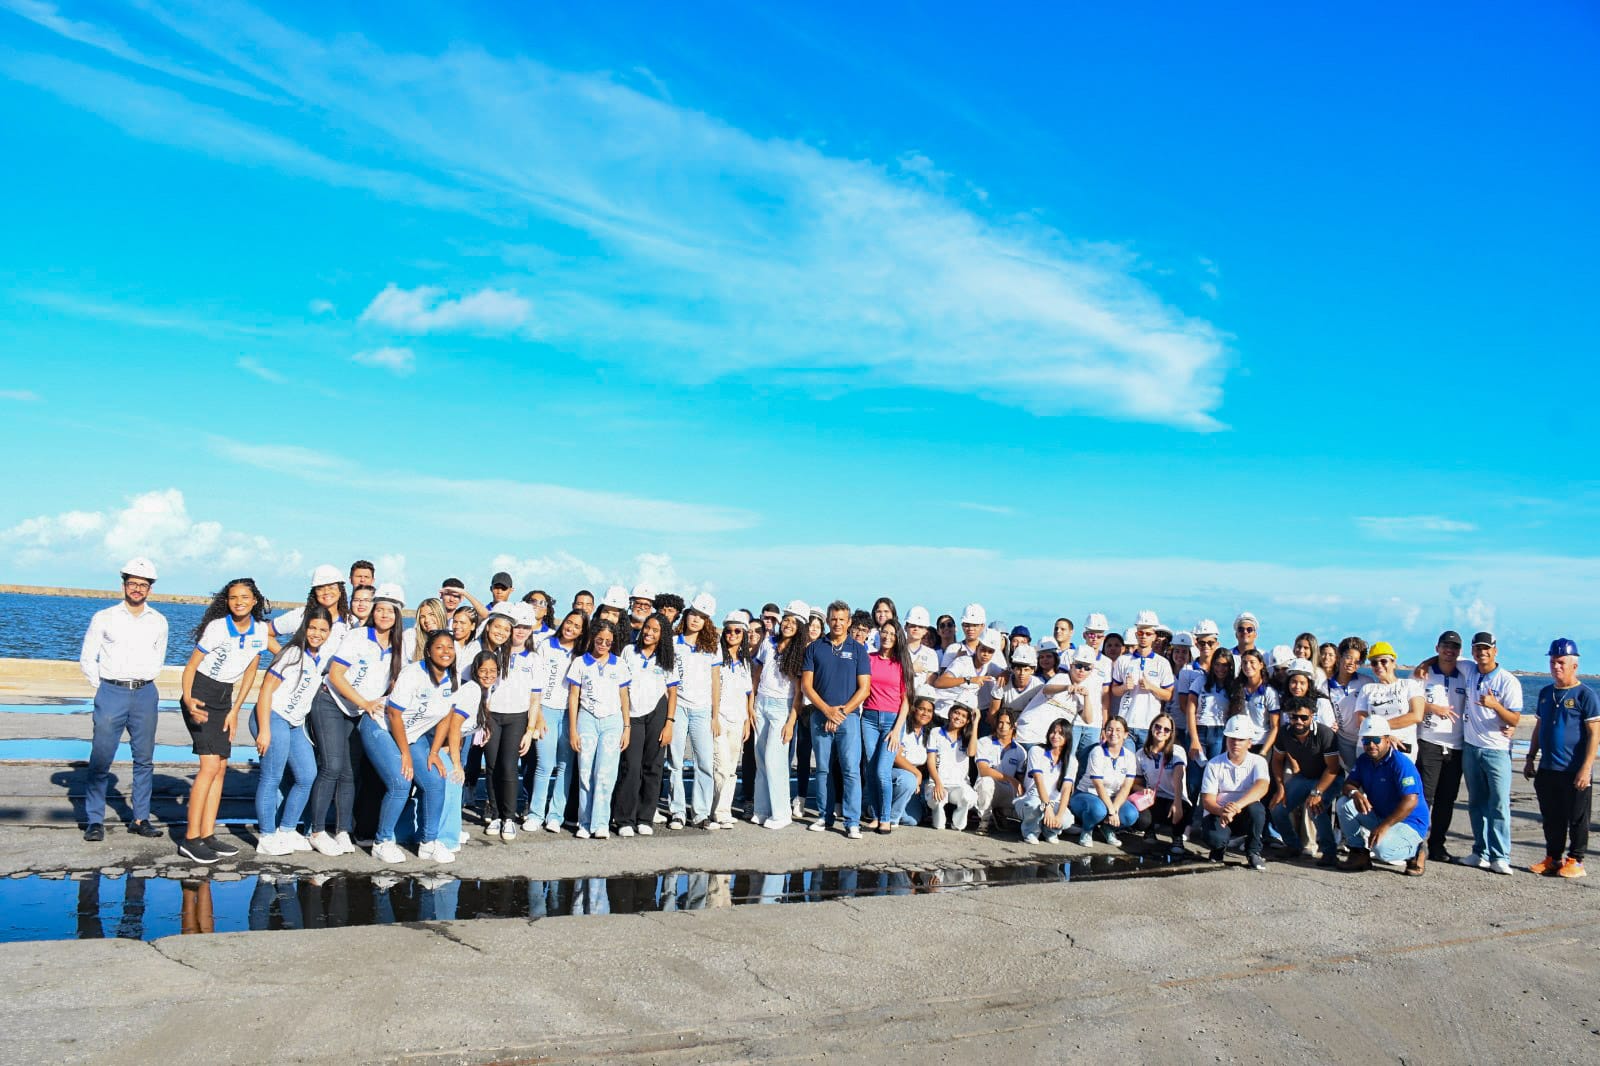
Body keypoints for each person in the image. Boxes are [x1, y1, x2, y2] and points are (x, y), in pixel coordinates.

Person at [308, 582, 407, 856]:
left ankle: (342, 831)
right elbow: (335, 675)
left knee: (350, 772)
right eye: (381, 609)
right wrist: (364, 702)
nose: (385, 615)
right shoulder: (358, 637)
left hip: (356, 713)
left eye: (391, 611)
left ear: (399, 615)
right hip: (331, 702)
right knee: (332, 766)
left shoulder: (399, 646)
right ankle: (316, 830)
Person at [177, 577, 270, 864]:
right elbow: (191, 666)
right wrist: (188, 699)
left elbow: (251, 672)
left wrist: (235, 710)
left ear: (255, 600)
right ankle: (190, 839)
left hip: (224, 699)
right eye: (233, 597)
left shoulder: (260, 632)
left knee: (220, 768)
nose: (239, 602)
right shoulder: (217, 628)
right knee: (207, 767)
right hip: (201, 694)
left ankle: (207, 834)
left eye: (244, 597)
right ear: (226, 601)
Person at [78, 557, 168, 842]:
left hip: (145, 693)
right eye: (133, 583)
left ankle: (140, 818)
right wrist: (103, 686)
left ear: (149, 589)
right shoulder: (104, 617)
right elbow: (87, 657)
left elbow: (159, 655)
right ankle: (94, 820)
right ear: (124, 585)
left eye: (143, 585)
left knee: (144, 759)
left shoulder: (159, 621)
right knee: (101, 758)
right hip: (111, 692)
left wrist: (145, 679)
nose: (137, 589)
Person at [363, 628, 461, 864]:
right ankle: (382, 842)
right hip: (382, 728)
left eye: (450, 647)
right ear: (428, 651)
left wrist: (435, 751)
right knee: (401, 781)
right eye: (439, 647)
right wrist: (405, 754)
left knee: (436, 779)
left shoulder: (452, 679)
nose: (445, 652)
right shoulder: (414, 673)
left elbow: (447, 716)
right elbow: (395, 714)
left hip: (412, 736)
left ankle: (428, 842)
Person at [252, 605, 334, 855]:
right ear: (304, 628)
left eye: (323, 629)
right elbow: (265, 690)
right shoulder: (291, 653)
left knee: (307, 776)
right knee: (271, 777)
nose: (316, 633)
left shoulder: (320, 657)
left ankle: (286, 831)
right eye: (312, 628)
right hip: (272, 717)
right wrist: (264, 730)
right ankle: (266, 837)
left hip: (294, 723)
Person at [1524, 638, 1597, 879]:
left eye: (1561, 662)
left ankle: (1576, 860)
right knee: (1551, 817)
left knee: (1577, 818)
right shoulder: (1546, 693)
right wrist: (1531, 757)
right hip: (1548, 768)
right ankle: (1553, 858)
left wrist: (1586, 768)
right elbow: (1539, 727)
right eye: (1553, 661)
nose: (1556, 666)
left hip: (1574, 769)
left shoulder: (1585, 695)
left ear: (1574, 665)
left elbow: (1595, 733)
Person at [803, 600, 873, 837]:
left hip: (849, 718)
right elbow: (806, 686)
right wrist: (827, 710)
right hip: (820, 716)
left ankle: (851, 821)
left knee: (850, 770)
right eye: (833, 618)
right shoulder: (815, 648)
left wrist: (840, 713)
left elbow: (864, 689)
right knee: (823, 769)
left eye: (842, 619)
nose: (837, 623)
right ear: (828, 620)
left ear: (849, 622)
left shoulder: (858, 650)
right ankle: (824, 816)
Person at [456, 650, 539, 843]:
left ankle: (508, 818)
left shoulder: (525, 660)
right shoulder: (476, 686)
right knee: (492, 766)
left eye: (493, 670)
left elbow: (535, 697)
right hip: (492, 717)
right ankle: (495, 815)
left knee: (509, 767)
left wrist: (530, 729)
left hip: (516, 716)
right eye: (483, 670)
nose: (488, 674)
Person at [1458, 631, 1523, 875]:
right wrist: (1424, 665)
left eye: (1486, 649)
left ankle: (1500, 856)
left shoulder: (1508, 681)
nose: (1481, 653)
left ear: (1495, 650)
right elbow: (1446, 656)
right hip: (1471, 748)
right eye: (1477, 649)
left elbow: (1515, 718)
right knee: (1476, 803)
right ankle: (1480, 852)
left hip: (1496, 750)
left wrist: (1495, 705)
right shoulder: (1469, 669)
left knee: (1498, 805)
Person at [1336, 717, 1429, 875]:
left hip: (1409, 822)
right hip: (1382, 815)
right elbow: (1348, 784)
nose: (1371, 745)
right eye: (1366, 740)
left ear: (1387, 740)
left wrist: (1384, 826)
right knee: (1344, 804)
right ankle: (1359, 854)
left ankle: (1417, 850)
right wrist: (1355, 793)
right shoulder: (1364, 760)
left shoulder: (1401, 763)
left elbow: (1410, 801)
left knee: (1382, 851)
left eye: (1376, 740)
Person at [613, 611, 677, 837]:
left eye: (655, 630)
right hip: (631, 714)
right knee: (630, 765)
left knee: (653, 766)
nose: (649, 633)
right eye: (647, 628)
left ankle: (645, 817)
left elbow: (672, 691)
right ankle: (624, 819)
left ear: (663, 635)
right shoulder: (629, 651)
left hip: (657, 712)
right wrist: (624, 720)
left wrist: (669, 723)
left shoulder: (668, 657)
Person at [567, 620, 633, 839]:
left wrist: (626, 727)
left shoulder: (619, 664)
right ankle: (584, 822)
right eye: (599, 640)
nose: (603, 644)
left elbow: (624, 696)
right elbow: (574, 696)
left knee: (605, 774)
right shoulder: (580, 663)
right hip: (587, 718)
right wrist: (573, 730)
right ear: (593, 639)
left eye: (608, 641)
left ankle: (601, 822)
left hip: (612, 721)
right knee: (585, 773)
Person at [523, 609, 584, 833]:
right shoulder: (545, 645)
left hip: (570, 713)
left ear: (582, 631)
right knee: (545, 763)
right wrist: (537, 714)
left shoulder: (581, 653)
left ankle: (555, 815)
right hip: (545, 710)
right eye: (569, 622)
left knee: (565, 766)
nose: (571, 628)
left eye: (577, 626)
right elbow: (535, 682)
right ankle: (536, 814)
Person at [1267, 693, 1343, 865]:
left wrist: (1317, 792)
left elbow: (1333, 768)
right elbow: (1277, 760)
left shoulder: (1325, 734)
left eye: (1303, 717)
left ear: (1312, 716)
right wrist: (1280, 788)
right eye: (1294, 717)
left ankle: (1329, 852)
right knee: (1277, 808)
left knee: (1316, 807)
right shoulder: (1285, 733)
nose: (1299, 721)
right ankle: (1293, 845)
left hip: (1330, 778)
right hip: (1305, 776)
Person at [666, 593, 719, 830]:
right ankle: (677, 811)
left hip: (702, 709)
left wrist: (714, 715)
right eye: (694, 614)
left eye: (702, 617)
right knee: (675, 761)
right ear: (687, 614)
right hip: (678, 708)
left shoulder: (712, 647)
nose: (696, 620)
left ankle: (700, 813)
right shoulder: (673, 641)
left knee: (704, 762)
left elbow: (715, 682)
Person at [1416, 630, 1470, 862]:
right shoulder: (1423, 674)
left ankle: (1438, 845)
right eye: (1445, 647)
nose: (1450, 651)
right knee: (1424, 797)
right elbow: (1413, 703)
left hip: (1456, 746)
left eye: (1454, 648)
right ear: (1437, 648)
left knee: (1447, 800)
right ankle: (1417, 844)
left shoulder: (1466, 672)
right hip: (1429, 743)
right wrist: (1433, 708)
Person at [750, 601, 804, 829]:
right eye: (787, 620)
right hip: (761, 702)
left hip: (783, 707)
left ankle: (781, 814)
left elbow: (800, 692)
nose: (789, 625)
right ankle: (762, 809)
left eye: (794, 622)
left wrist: (792, 721)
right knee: (761, 759)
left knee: (775, 760)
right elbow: (757, 674)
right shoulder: (768, 644)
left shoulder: (801, 652)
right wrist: (751, 702)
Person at [1194, 714, 1270, 868]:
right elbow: (1208, 801)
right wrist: (1223, 810)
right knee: (1214, 838)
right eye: (1232, 738)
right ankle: (1218, 848)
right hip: (1220, 813)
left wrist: (1236, 807)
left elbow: (1262, 786)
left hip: (1244, 812)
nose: (1236, 743)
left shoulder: (1258, 761)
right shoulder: (1214, 764)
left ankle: (1253, 852)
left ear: (1250, 742)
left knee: (1258, 810)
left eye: (1241, 739)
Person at [861, 620, 912, 833]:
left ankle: (886, 818)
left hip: (892, 720)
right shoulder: (869, 659)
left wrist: (897, 730)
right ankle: (874, 815)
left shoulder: (901, 663)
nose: (887, 637)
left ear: (898, 637)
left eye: (892, 633)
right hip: (870, 719)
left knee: (883, 771)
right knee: (871, 770)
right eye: (884, 632)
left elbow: (906, 701)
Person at [709, 610, 753, 829]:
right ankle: (719, 811)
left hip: (738, 720)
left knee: (731, 769)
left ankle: (722, 809)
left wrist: (746, 720)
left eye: (737, 631)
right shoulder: (716, 656)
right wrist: (714, 717)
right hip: (720, 719)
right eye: (728, 631)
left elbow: (747, 693)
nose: (732, 635)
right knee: (721, 766)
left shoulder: (745, 662)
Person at [1068, 716, 1139, 847]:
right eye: (1110, 729)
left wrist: (1115, 809)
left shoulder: (1129, 756)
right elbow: (1098, 785)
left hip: (1112, 797)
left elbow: (1126, 787)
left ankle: (1108, 829)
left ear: (1125, 734)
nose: (1113, 733)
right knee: (1098, 810)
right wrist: (1111, 811)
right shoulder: (1097, 752)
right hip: (1088, 794)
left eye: (1118, 730)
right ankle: (1087, 830)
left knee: (1131, 814)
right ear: (1104, 732)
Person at [1109, 611, 1175, 747]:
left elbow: (1168, 695)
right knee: (1128, 765)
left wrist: (1151, 687)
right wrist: (1124, 687)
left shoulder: (1162, 663)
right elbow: (1114, 691)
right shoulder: (1123, 660)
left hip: (1149, 725)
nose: (1144, 637)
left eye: (1148, 634)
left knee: (1145, 766)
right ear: (1136, 634)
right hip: (1126, 723)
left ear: (1154, 636)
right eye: (1140, 633)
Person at [1352, 642, 1424, 754]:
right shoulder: (1367, 689)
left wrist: (1379, 729)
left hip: (1400, 746)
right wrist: (1384, 736)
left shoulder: (1409, 685)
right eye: (1374, 663)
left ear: (1393, 662)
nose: (1379, 665)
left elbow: (1416, 715)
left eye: (1383, 661)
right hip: (1370, 747)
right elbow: (1360, 720)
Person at [1131, 711, 1188, 854]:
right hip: (1153, 797)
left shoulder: (1177, 751)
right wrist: (1142, 789)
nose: (1161, 731)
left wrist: (1177, 801)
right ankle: (1149, 831)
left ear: (1170, 734)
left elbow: (1178, 774)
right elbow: (1134, 782)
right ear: (1151, 727)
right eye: (1158, 726)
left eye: (1166, 729)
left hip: (1174, 796)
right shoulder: (1140, 754)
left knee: (1181, 808)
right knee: (1141, 819)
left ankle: (1177, 837)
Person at [1014, 718, 1077, 844]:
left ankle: (1050, 831)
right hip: (1033, 798)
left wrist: (1059, 815)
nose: (1055, 736)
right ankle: (1030, 831)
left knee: (1067, 820)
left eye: (1060, 733)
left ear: (1067, 737)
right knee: (1034, 805)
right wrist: (1047, 807)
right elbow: (1038, 779)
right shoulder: (1036, 751)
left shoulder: (1071, 760)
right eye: (1053, 732)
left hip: (1054, 802)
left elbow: (1066, 789)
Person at [267, 564, 348, 653]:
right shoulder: (300, 615)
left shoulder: (351, 621)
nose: (326, 592)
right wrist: (285, 658)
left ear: (340, 591)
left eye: (331, 587)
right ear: (314, 592)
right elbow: (264, 633)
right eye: (320, 588)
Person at [923, 700, 978, 830]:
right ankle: (937, 815)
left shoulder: (967, 736)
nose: (959, 717)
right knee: (939, 825)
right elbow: (931, 760)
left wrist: (975, 724)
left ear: (967, 720)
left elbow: (971, 753)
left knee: (968, 797)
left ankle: (956, 822)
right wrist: (937, 782)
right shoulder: (936, 732)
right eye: (956, 713)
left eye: (964, 716)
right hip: (939, 783)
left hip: (958, 785)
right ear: (950, 713)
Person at [973, 708, 1028, 833]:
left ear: (1013, 726)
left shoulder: (1021, 751)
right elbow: (983, 770)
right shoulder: (984, 742)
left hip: (1007, 791)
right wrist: (1010, 778)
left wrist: (1019, 788)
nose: (1003, 726)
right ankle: (984, 821)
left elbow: (1020, 780)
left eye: (1008, 723)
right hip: (988, 788)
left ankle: (1001, 812)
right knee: (986, 781)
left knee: (1026, 801)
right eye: (1000, 722)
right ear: (996, 723)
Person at [889, 689, 936, 827]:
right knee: (907, 779)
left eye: (929, 711)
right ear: (913, 709)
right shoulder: (901, 727)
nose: (925, 713)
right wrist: (916, 773)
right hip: (896, 773)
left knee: (912, 820)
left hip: (915, 779)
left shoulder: (928, 733)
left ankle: (879, 810)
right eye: (922, 709)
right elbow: (896, 757)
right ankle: (889, 818)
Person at [1327, 636, 1371, 770]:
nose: (1352, 663)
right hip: (1343, 740)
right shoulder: (1327, 685)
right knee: (1349, 774)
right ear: (1339, 656)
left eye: (1357, 661)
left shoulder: (1366, 682)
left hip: (1365, 739)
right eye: (1349, 657)